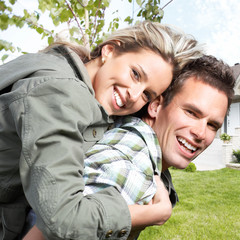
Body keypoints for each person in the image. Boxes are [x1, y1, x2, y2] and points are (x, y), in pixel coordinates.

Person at [0, 21, 203, 240]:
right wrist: (150, 214)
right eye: (135, 74)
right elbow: (62, 218)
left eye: (147, 95)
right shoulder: (61, 93)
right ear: (109, 50)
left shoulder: (77, 83)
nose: (134, 95)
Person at [86, 55, 236, 239]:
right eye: (191, 112)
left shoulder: (141, 150)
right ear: (156, 106)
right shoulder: (130, 169)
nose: (201, 133)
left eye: (212, 125)